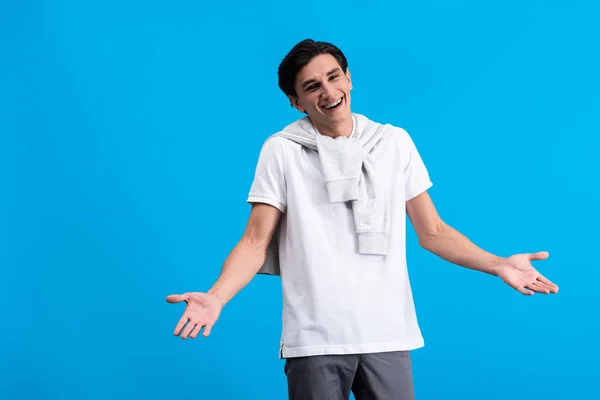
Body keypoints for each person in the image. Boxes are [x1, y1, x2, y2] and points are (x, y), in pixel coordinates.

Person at [166, 39, 559, 400]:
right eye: (312, 86)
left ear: (349, 78)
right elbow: (255, 241)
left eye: (333, 77)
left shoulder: (394, 143)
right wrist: (216, 297)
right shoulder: (281, 151)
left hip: (387, 333)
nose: (328, 92)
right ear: (296, 102)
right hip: (315, 338)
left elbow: (433, 232)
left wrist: (498, 265)